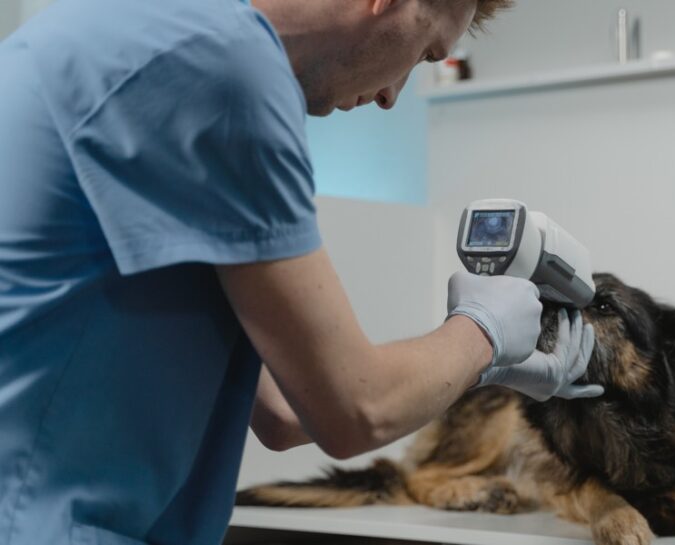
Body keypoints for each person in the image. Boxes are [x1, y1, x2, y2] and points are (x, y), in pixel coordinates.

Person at [0, 0, 603, 543]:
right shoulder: (224, 68)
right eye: (424, 52)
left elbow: (290, 413)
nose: (395, 94)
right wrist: (482, 332)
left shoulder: (127, 28)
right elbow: (356, 410)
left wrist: (480, 365)